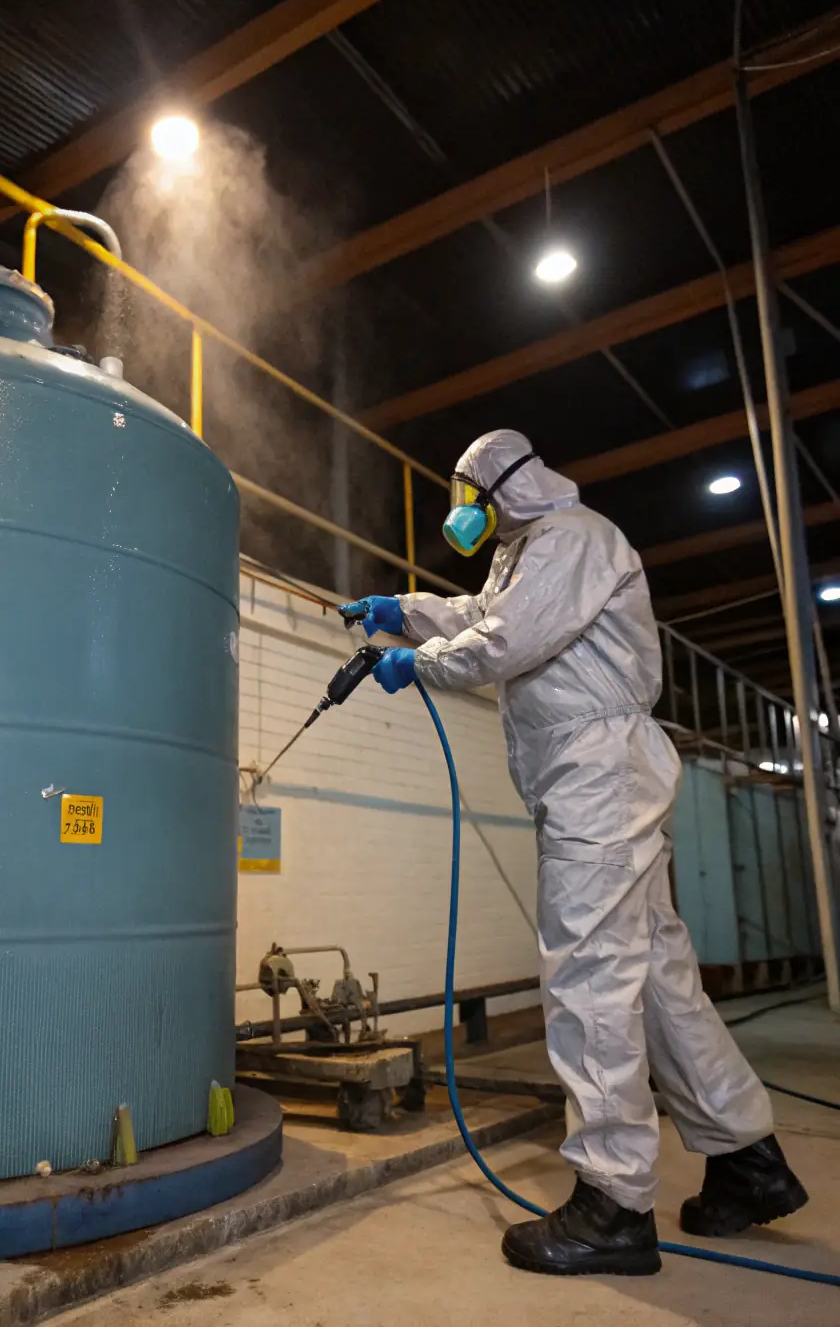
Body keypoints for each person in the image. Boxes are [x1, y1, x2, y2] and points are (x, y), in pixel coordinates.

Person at [341, 428, 807, 1277]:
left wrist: (420, 662)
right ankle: (747, 1159)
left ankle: (614, 1204)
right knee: (660, 980)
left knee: (589, 975)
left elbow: (501, 643)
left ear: (499, 489)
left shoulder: (572, 538)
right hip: (596, 775)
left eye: (467, 498)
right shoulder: (528, 551)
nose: (462, 515)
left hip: (598, 774)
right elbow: (487, 616)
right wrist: (399, 610)